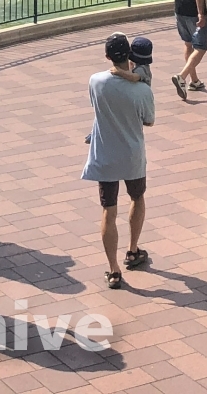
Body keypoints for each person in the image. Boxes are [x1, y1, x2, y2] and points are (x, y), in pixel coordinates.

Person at [82, 33, 157, 289]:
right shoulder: (142, 91)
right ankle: (133, 250)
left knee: (109, 210)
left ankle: (114, 270)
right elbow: (149, 121)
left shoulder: (95, 81)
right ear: (130, 55)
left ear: (107, 56)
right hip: (133, 156)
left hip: (105, 156)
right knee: (137, 197)